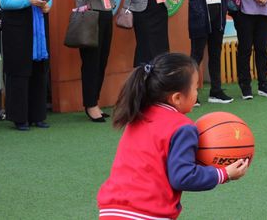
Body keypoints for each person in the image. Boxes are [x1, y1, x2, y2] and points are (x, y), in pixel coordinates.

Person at [97, 53, 249, 219]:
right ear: (177, 98)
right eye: (195, 89)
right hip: (146, 213)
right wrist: (224, 173)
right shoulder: (182, 127)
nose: (197, 93)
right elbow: (182, 176)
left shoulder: (137, 116)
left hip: (110, 211)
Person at [68, 0, 126, 122]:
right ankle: (90, 105)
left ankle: (95, 102)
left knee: (102, 61)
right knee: (91, 63)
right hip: (88, 18)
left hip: (105, 16)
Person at [0, 0, 53, 131]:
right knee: (20, 74)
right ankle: (19, 118)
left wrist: (48, 6)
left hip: (38, 29)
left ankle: (37, 116)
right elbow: (4, 2)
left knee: (39, 72)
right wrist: (28, 1)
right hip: (18, 33)